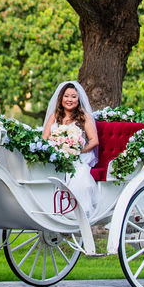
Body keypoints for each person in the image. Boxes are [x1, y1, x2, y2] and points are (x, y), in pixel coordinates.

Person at [42, 80, 99, 215]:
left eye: (73, 97)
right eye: (67, 96)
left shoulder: (84, 117)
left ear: (78, 100)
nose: (69, 99)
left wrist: (77, 150)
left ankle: (76, 213)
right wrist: (56, 148)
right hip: (56, 158)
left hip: (77, 158)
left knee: (79, 176)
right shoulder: (54, 117)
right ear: (61, 97)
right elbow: (44, 139)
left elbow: (94, 140)